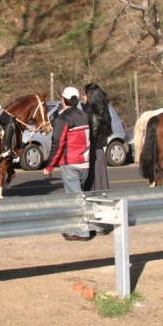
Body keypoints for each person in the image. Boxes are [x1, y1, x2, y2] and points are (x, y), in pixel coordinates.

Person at [43, 86, 91, 241]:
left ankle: (82, 232)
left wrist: (49, 166)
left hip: (70, 163)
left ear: (63, 100)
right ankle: (75, 229)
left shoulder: (62, 119)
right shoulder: (84, 115)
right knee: (79, 196)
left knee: (75, 199)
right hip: (85, 162)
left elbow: (58, 143)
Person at [82, 83, 112, 192]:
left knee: (96, 186)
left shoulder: (93, 114)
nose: (83, 97)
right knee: (101, 184)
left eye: (84, 94)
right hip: (99, 153)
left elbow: (92, 138)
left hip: (94, 153)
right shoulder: (103, 111)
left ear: (90, 96)